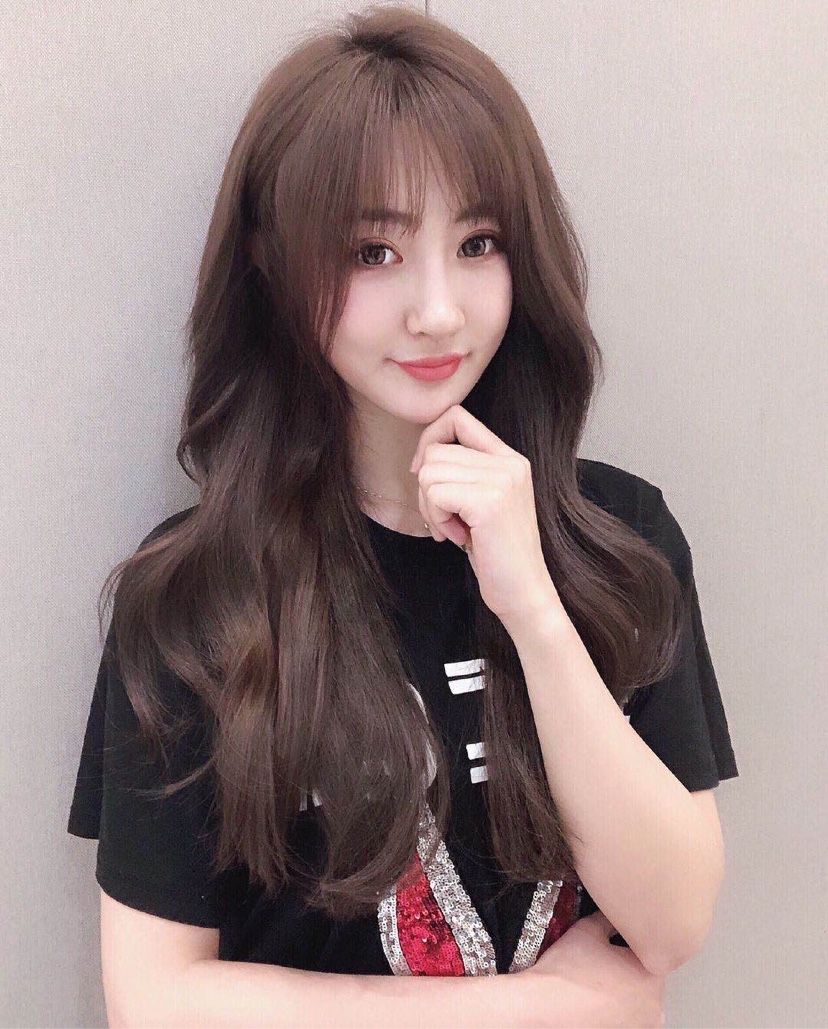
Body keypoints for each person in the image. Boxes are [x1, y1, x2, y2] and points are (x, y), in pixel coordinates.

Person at [67, 5, 739, 1026]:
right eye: (373, 251)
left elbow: (675, 921)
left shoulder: (619, 536)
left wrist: (533, 607)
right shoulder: (198, 596)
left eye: (478, 242)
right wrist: (538, 1013)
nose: (438, 310)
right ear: (272, 261)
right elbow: (155, 1000)